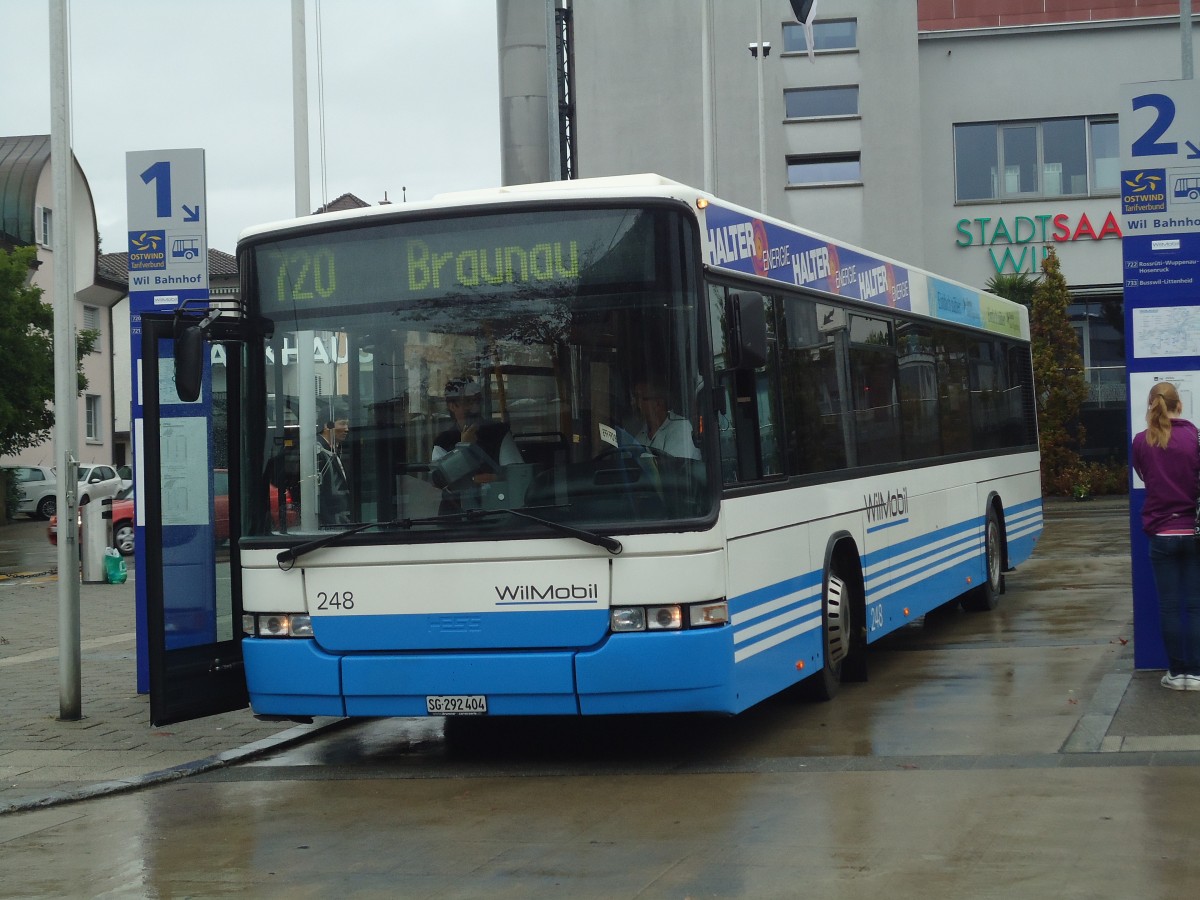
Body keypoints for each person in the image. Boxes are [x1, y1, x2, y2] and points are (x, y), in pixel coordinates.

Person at [1131, 381, 1200, 691]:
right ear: (1179, 405)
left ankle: (1176, 673)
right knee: (1196, 606)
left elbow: (1144, 476)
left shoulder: (1140, 442)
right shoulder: (1195, 437)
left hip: (1161, 533)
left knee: (1170, 607)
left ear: (1151, 405)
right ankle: (1197, 673)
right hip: (1194, 531)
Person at [431, 379, 522, 470]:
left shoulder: (499, 433)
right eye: (468, 401)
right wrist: (464, 449)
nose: (475, 408)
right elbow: (442, 480)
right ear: (452, 406)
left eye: (478, 401)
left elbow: (515, 474)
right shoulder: (443, 442)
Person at [632, 377, 701, 459]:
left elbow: (674, 467)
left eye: (639, 398)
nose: (633, 403)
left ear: (658, 403)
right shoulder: (641, 435)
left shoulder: (681, 427)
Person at [316, 414, 351, 525]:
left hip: (338, 517)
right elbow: (319, 492)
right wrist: (330, 523)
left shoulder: (334, 449)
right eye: (342, 423)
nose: (346, 429)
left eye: (347, 424)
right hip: (330, 519)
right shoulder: (318, 450)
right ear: (327, 426)